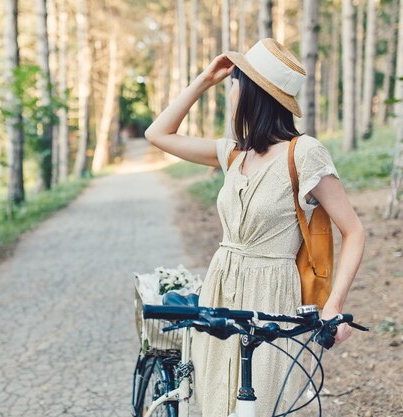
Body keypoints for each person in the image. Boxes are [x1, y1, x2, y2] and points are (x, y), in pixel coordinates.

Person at [144, 38, 365, 417]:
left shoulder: (304, 153)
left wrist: (335, 305)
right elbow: (158, 134)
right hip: (222, 285)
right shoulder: (234, 153)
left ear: (252, 93)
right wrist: (203, 80)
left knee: (263, 405)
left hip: (272, 295)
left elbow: (355, 231)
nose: (229, 92)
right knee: (218, 400)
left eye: (233, 83)